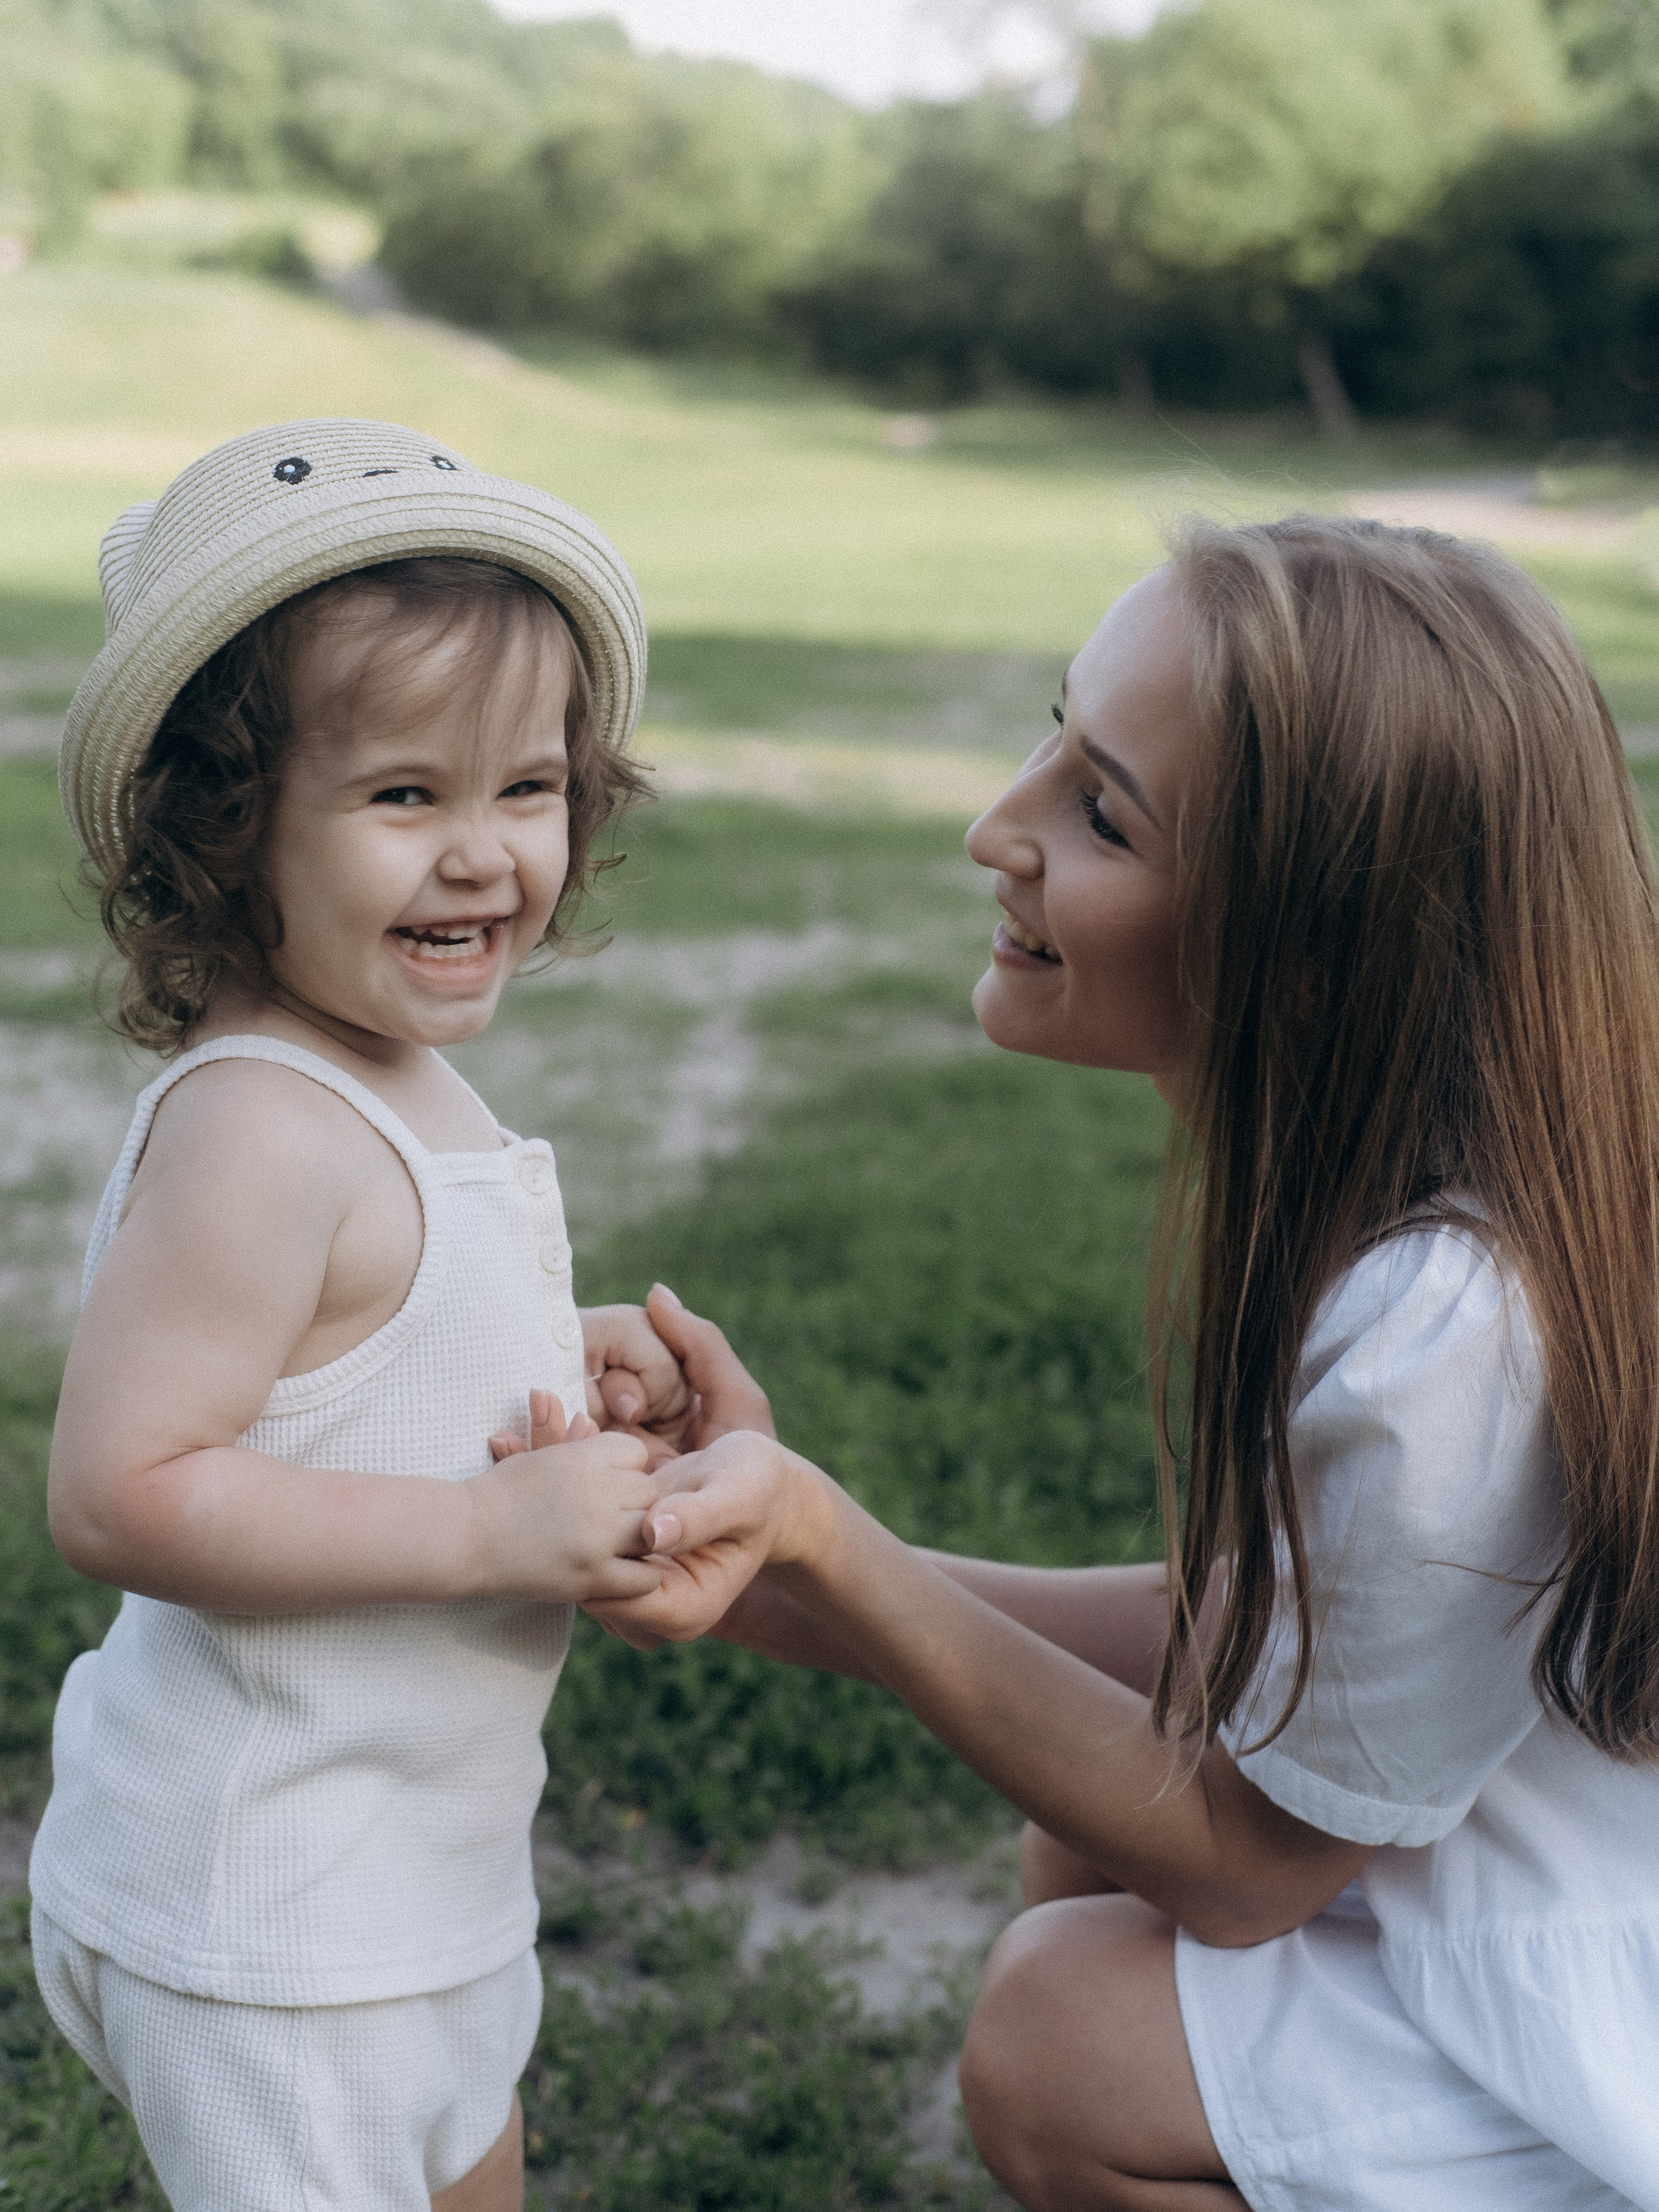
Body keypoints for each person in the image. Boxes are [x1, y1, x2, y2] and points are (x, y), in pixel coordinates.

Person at [611, 516, 1659, 2210]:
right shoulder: (1467, 1184)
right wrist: (769, 1567)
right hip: (1545, 1868)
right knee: (1096, 1801)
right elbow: (1250, 1634)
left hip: (1613, 1976)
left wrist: (827, 1547)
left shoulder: (1448, 1334)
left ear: (1310, 959)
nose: (995, 828)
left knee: (1064, 2036)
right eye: (1056, 740)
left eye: (1102, 814)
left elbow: (1252, 1869)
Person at [29, 417, 747, 2212]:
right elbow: (123, 1489)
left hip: (420, 1881)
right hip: (268, 1914)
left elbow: (353, 1346)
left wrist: (544, 1359)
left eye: (528, 787)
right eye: (404, 797)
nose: (485, 853)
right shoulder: (260, 1126)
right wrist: (483, 1531)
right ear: (225, 830)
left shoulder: (395, 1079)